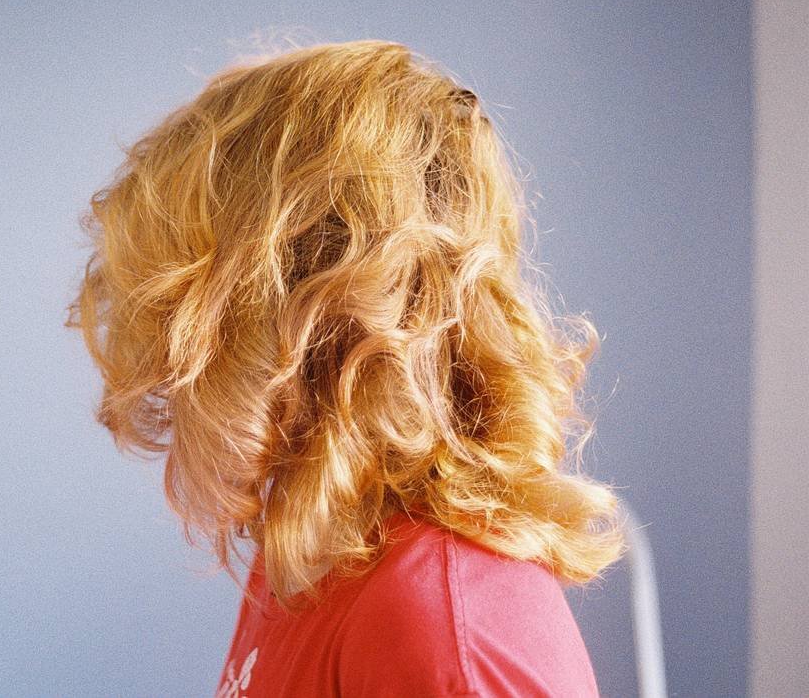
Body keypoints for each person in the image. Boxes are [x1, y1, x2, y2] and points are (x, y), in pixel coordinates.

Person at [65, 39, 625, 696]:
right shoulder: (317, 544)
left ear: (292, 315)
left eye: (181, 305)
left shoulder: (441, 633)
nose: (165, 357)